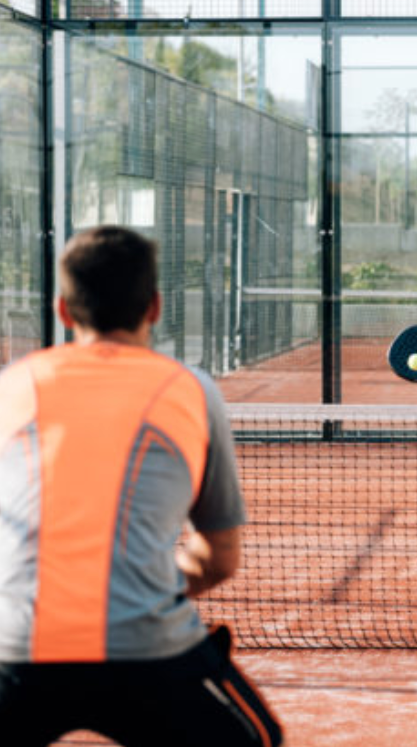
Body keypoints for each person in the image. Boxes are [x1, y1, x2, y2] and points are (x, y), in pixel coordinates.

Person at [0, 225, 283, 746]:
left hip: (14, 646)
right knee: (259, 739)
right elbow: (219, 559)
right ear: (154, 306)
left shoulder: (10, 386)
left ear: (64, 311)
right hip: (147, 650)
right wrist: (131, 584)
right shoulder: (192, 391)